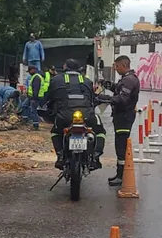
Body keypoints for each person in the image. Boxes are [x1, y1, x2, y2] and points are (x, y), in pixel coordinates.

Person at [46, 58, 105, 170]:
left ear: (64, 67)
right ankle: (96, 157)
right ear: (79, 69)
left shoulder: (56, 79)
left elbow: (49, 98)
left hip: (64, 116)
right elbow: (93, 99)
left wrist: (49, 109)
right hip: (86, 116)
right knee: (100, 131)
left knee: (56, 131)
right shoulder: (86, 81)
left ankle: (60, 156)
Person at [97, 55, 140, 186]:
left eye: (116, 66)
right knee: (119, 144)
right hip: (122, 116)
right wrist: (108, 85)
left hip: (124, 117)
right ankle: (119, 174)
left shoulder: (129, 80)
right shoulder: (126, 79)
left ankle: (121, 176)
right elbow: (118, 90)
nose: (115, 68)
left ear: (123, 65)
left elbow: (123, 98)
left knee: (121, 146)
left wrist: (106, 99)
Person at [25, 64, 43, 130]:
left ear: (33, 70)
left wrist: (34, 98)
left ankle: (35, 125)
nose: (29, 73)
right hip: (32, 97)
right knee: (27, 107)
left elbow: (36, 89)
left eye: (29, 71)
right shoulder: (36, 76)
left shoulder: (36, 77)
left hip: (34, 98)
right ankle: (29, 121)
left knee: (33, 111)